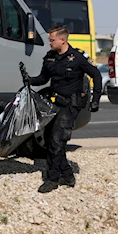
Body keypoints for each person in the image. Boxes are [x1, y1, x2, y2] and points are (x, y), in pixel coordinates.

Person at [23, 26, 101, 193]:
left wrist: (95, 99)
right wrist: (29, 80)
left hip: (70, 106)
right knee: (50, 140)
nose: (49, 43)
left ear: (62, 40)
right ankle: (67, 175)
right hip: (54, 103)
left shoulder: (77, 57)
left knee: (57, 142)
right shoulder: (50, 57)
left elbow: (96, 75)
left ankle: (52, 179)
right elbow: (44, 78)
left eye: (52, 40)